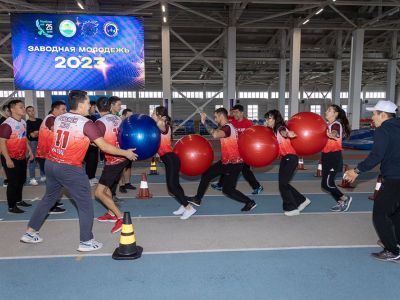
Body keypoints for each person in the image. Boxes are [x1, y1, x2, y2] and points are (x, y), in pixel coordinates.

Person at [20, 90, 137, 252]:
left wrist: (95, 142)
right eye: (88, 102)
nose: (90, 106)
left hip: (51, 164)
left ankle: (30, 232)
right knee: (85, 204)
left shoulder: (59, 118)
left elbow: (78, 138)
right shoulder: (86, 123)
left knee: (49, 198)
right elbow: (102, 145)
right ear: (81, 104)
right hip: (69, 168)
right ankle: (86, 241)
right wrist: (126, 153)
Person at [344, 100, 400, 262]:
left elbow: (376, 155)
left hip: (394, 178)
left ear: (383, 115)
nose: (372, 117)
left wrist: (356, 170)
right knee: (396, 212)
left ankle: (392, 250)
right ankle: (396, 241)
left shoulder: (383, 130)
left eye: (374, 114)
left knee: (380, 214)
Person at [188, 108, 257, 212]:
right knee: (207, 175)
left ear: (221, 115)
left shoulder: (228, 128)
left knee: (228, 190)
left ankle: (249, 202)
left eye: (215, 116)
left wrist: (204, 122)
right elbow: (217, 132)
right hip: (226, 162)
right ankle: (197, 199)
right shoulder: (226, 127)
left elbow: (215, 134)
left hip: (234, 163)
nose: (215, 119)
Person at [94, 97, 133, 233]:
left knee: (99, 193)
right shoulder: (117, 119)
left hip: (113, 161)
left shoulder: (99, 123)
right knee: (107, 187)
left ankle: (120, 217)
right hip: (122, 158)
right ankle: (111, 213)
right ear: (110, 107)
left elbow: (97, 143)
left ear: (97, 109)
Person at [151, 106, 196, 220]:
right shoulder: (163, 124)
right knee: (175, 185)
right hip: (169, 159)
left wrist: (160, 119)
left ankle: (189, 208)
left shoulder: (162, 124)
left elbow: (158, 125)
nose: (151, 115)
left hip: (171, 159)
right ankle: (184, 204)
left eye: (153, 113)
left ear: (160, 116)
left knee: (171, 187)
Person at [265, 110, 311, 216]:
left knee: (283, 184)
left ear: (276, 119)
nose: (267, 120)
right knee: (283, 184)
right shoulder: (274, 130)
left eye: (270, 118)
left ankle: (292, 208)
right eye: (266, 118)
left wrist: (288, 134)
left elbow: (284, 132)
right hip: (285, 159)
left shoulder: (280, 128)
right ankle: (302, 200)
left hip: (291, 158)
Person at [211, 104, 263, 194]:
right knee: (226, 165)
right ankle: (220, 185)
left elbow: (252, 138)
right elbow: (223, 128)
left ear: (242, 112)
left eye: (236, 112)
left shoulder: (248, 123)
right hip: (232, 150)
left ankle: (257, 186)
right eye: (233, 112)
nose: (234, 114)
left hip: (243, 151)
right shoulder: (230, 121)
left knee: (245, 170)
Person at [0, 100, 34, 213]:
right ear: (12, 109)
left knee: (21, 180)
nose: (23, 109)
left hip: (21, 157)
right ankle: (11, 206)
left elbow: (24, 138)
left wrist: (30, 151)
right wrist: (8, 159)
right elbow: (2, 142)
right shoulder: (7, 125)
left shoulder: (23, 122)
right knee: (13, 182)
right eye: (21, 107)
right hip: (10, 157)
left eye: (23, 106)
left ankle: (19, 200)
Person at [36, 101, 67, 214]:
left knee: (55, 181)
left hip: (49, 155)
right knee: (53, 182)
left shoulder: (53, 118)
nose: (65, 112)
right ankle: (50, 206)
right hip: (45, 155)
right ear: (55, 109)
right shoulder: (51, 118)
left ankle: (53, 202)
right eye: (63, 109)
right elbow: (57, 130)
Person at [321, 104, 352, 212]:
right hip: (325, 156)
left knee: (327, 184)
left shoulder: (336, 124)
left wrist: (332, 135)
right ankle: (341, 202)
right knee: (326, 184)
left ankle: (345, 198)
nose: (326, 112)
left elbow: (335, 133)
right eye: (327, 110)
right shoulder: (326, 125)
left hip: (333, 157)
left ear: (336, 114)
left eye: (329, 110)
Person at [110, 97, 135, 193]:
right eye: (128, 116)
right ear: (124, 116)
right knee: (121, 167)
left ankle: (128, 183)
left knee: (128, 166)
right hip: (120, 148)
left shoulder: (131, 124)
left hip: (129, 148)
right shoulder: (119, 121)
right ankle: (121, 185)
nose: (130, 118)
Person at [26, 106, 45, 185]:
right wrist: (37, 132)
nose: (32, 112)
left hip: (41, 142)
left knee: (41, 160)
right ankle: (32, 178)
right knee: (32, 161)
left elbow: (44, 131)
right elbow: (32, 136)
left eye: (32, 110)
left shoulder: (40, 120)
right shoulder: (27, 123)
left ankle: (43, 175)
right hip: (33, 143)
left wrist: (36, 132)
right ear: (27, 113)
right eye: (29, 111)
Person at [84, 100, 100, 186]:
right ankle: (88, 178)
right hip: (88, 143)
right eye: (94, 107)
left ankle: (92, 176)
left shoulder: (94, 118)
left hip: (95, 142)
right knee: (90, 160)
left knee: (95, 160)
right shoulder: (84, 117)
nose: (95, 109)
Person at [0, 104, 10, 187]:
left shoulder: (13, 120)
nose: (9, 112)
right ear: (3, 112)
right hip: (3, 146)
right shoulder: (2, 121)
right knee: (4, 163)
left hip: (13, 146)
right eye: (7, 111)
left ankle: (11, 178)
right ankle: (6, 179)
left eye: (10, 110)